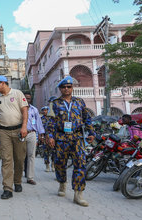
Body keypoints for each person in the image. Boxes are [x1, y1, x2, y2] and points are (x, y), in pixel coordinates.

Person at [47, 76, 95, 207]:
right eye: (64, 87)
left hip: (77, 138)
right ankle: (62, 183)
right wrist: (50, 136)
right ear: (60, 89)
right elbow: (50, 122)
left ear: (72, 88)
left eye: (69, 87)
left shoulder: (80, 102)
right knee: (60, 164)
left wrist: (91, 132)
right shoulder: (55, 103)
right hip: (61, 138)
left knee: (80, 165)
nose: (66, 89)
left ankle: (78, 194)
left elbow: (87, 118)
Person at [0, 75, 29, 200]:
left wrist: (24, 127)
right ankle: (7, 188)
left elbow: (25, 111)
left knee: (19, 159)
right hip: (4, 132)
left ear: (3, 83)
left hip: (18, 130)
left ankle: (17, 181)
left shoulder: (17, 93)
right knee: (6, 160)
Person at [24, 92, 45, 185]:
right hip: (21, 134)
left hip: (32, 133)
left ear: (30, 100)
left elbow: (38, 122)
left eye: (29, 98)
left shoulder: (34, 110)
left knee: (31, 156)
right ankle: (17, 176)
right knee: (19, 156)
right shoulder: (19, 109)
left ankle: (30, 177)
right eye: (25, 98)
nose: (27, 100)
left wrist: (41, 134)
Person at [41, 106, 54, 172]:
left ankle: (53, 165)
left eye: (46, 110)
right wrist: (42, 137)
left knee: (54, 151)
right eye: (43, 110)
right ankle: (47, 166)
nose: (45, 111)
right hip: (45, 137)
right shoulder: (41, 119)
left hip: (53, 137)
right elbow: (40, 129)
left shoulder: (52, 118)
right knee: (46, 152)